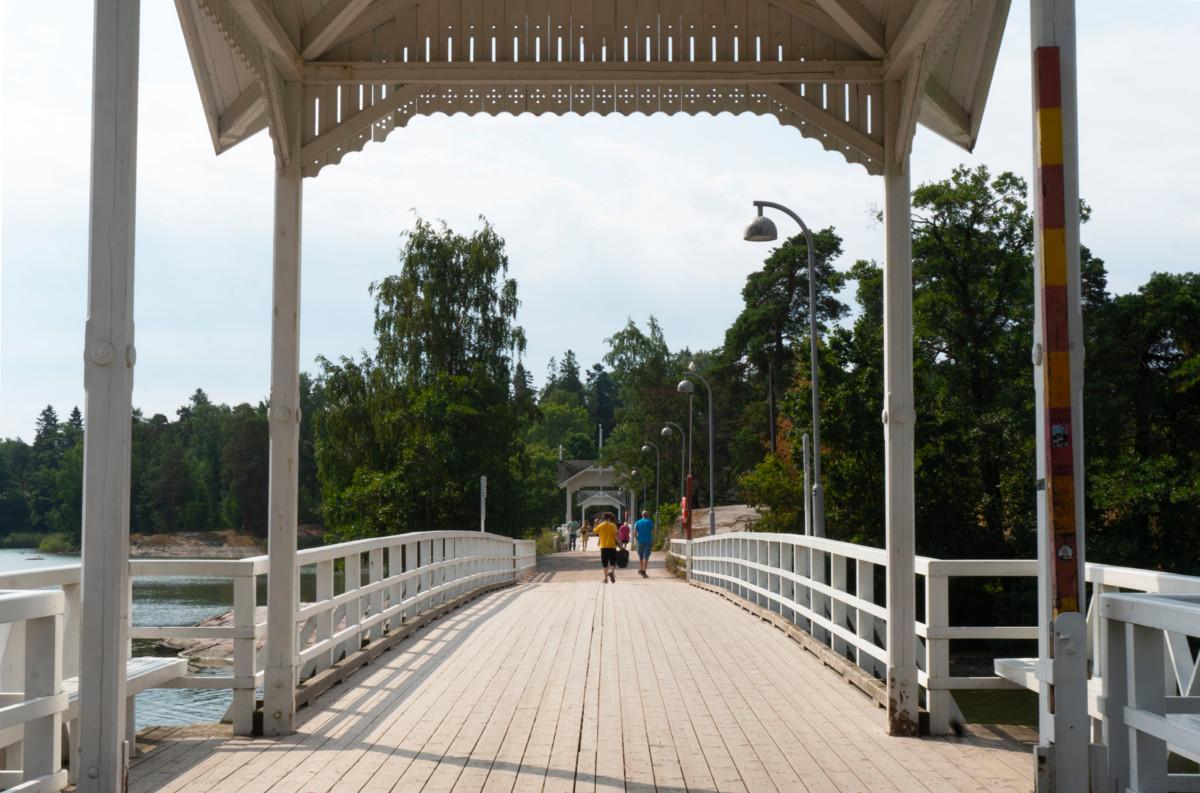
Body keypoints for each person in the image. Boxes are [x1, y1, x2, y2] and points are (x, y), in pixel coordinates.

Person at [595, 512, 619, 583]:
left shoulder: (600, 525)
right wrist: (620, 544)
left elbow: (594, 532)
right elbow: (615, 536)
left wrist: (596, 523)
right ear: (609, 517)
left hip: (603, 547)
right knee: (613, 562)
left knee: (605, 563)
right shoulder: (613, 525)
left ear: (603, 518)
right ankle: (612, 572)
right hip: (612, 546)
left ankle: (605, 579)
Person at [634, 510, 654, 578]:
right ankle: (644, 572)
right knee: (646, 557)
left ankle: (641, 569)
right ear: (647, 515)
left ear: (642, 515)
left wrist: (637, 539)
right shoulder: (650, 522)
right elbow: (653, 532)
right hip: (648, 541)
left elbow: (635, 534)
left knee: (641, 556)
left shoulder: (638, 522)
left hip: (640, 541)